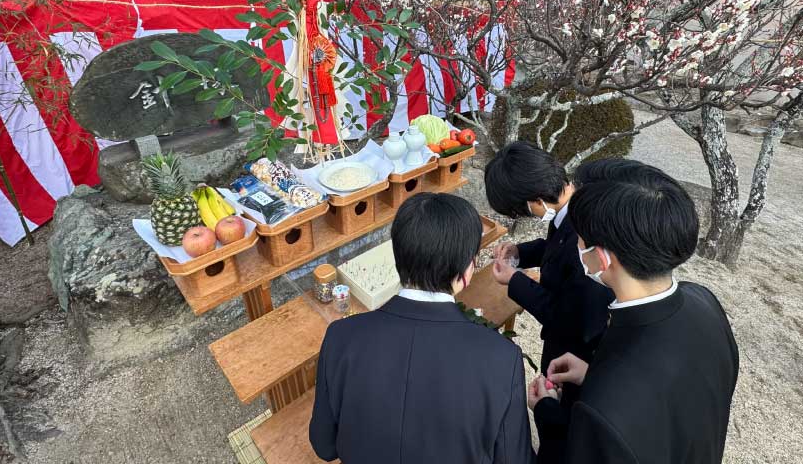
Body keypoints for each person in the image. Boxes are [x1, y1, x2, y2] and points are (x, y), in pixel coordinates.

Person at [529, 160, 739, 464]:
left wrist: (547, 411)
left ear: (601, 259)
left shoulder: (601, 413)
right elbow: (669, 399)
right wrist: (595, 375)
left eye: (580, 239)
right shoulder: (704, 302)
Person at [309, 192, 535, 464]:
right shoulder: (501, 358)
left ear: (397, 259)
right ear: (467, 271)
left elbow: (324, 446)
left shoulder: (341, 337)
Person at [484, 142, 613, 462]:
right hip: (567, 337)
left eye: (520, 210)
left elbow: (566, 317)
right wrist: (521, 253)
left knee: (563, 424)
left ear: (536, 201)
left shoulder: (585, 237)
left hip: (576, 350)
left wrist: (514, 281)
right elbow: (553, 246)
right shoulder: (572, 205)